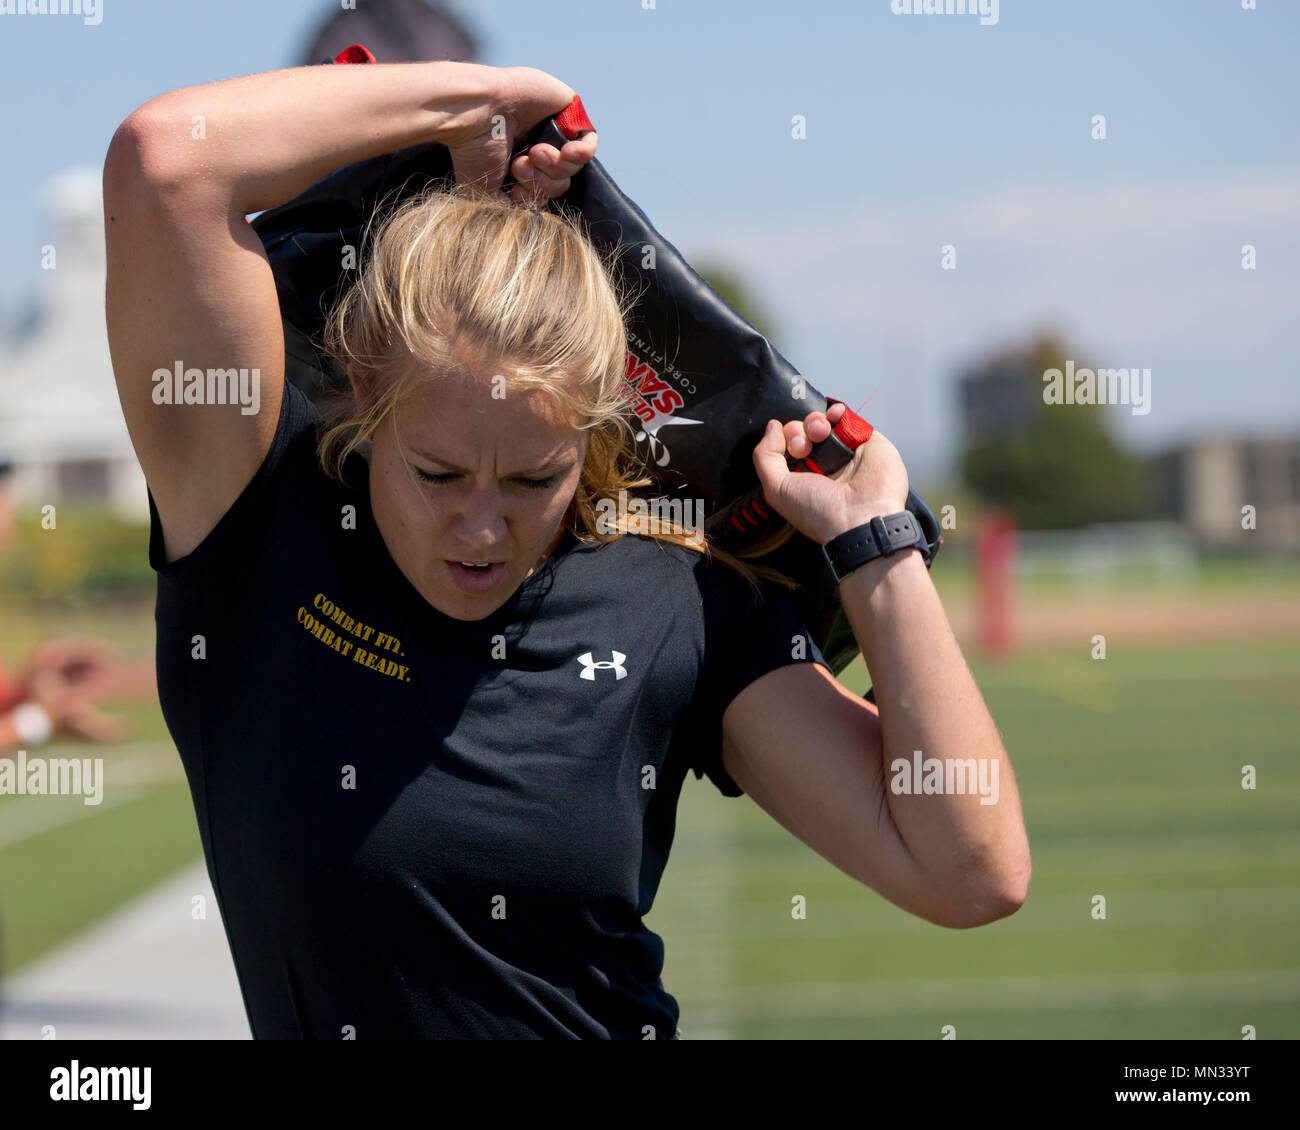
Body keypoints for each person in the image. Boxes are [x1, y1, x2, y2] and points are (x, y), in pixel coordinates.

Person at [102, 59, 1030, 1040]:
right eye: (438, 472)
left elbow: (971, 870)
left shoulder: (669, 589)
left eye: (533, 479)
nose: (481, 525)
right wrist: (485, 100)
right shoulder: (254, 518)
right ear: (368, 392)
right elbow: (167, 161)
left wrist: (873, 542)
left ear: (591, 436)